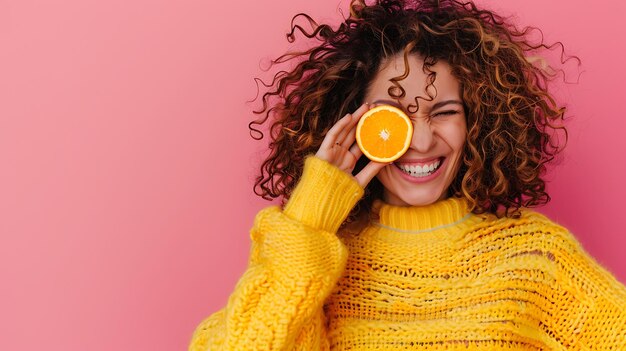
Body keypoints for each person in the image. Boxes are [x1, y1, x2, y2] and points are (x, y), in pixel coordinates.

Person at [189, 0, 626, 349]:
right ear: (349, 122)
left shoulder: (534, 256)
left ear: (478, 121)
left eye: (445, 112)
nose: (419, 141)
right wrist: (310, 216)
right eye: (393, 116)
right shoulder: (308, 256)